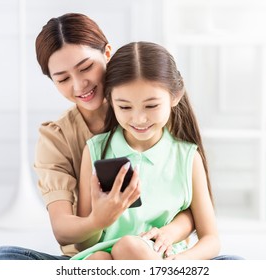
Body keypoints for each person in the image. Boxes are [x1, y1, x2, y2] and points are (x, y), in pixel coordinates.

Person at [0, 13, 194, 260]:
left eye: (86, 68)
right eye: (62, 78)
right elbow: (63, 229)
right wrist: (97, 220)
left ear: (107, 53)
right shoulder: (58, 137)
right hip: (92, 258)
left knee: (234, 265)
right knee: (1, 258)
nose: (79, 85)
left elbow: (194, 208)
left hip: (162, 255)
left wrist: (169, 234)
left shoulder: (151, 112)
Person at [70, 41, 222, 260]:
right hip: (104, 255)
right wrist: (98, 220)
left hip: (163, 260)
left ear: (175, 96)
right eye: (124, 107)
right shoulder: (96, 151)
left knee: (128, 247)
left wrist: (179, 262)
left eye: (151, 106)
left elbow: (211, 240)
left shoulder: (187, 157)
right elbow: (83, 244)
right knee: (97, 259)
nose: (139, 119)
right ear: (110, 101)